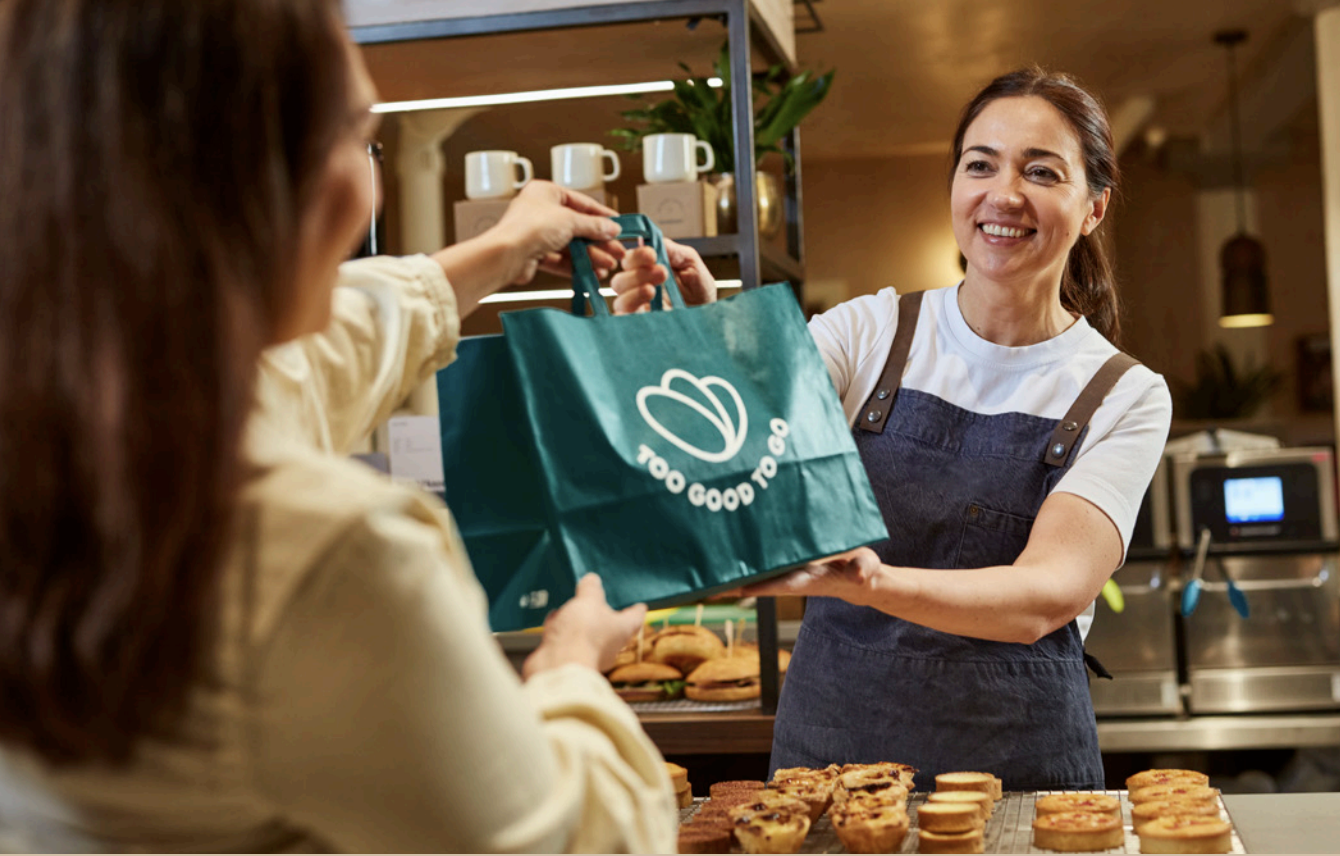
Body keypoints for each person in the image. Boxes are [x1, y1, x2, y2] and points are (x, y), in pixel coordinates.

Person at [0, 0, 677, 851]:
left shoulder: (64, 443)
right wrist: (570, 669)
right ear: (263, 178)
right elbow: (572, 838)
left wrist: (505, 245)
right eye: (357, 134)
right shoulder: (331, 555)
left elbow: (311, 357)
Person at [612, 67, 1172, 791]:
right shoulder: (867, 332)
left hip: (1020, 780)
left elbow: (1044, 594)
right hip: (829, 764)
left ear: (1093, 207)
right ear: (953, 190)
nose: (1004, 195)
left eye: (1041, 171)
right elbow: (734, 456)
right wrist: (672, 349)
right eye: (981, 165)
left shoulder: (1123, 393)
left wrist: (869, 582)